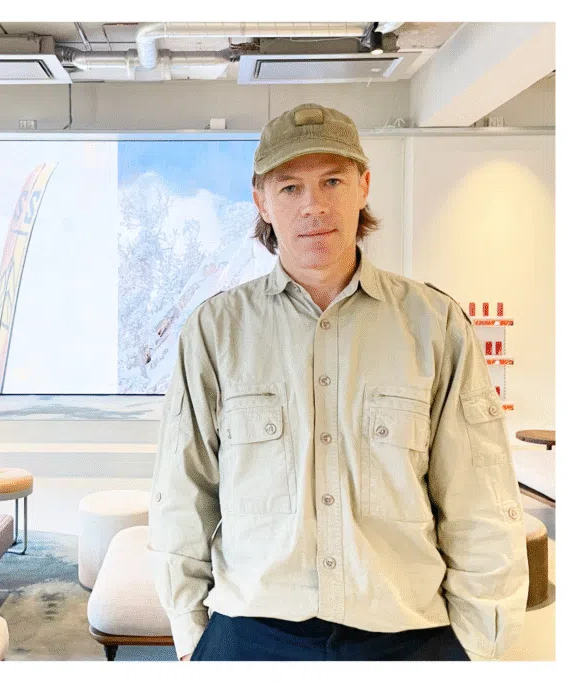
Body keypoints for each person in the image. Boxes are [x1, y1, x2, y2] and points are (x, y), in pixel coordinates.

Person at [147, 103, 529, 661]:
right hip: (250, 631)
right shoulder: (215, 331)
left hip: (408, 635)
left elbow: (480, 498)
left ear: (363, 187)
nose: (314, 206)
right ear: (262, 202)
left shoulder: (434, 324)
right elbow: (182, 491)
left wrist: (478, 643)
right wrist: (190, 631)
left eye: (332, 180)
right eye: (290, 188)